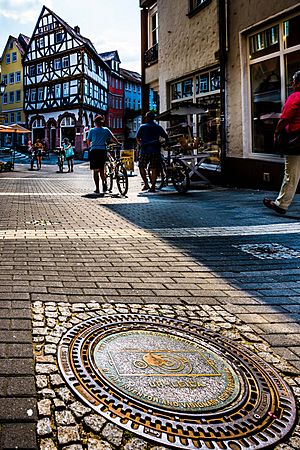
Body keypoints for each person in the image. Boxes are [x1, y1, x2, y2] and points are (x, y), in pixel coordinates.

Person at [263, 70, 300, 214]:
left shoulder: (296, 96)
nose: (291, 84)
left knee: (291, 173)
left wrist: (277, 132)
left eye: (293, 81)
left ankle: (281, 204)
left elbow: (285, 119)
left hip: (296, 141)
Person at [86, 115, 121, 194]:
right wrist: (118, 143)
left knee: (95, 171)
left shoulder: (92, 130)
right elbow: (113, 138)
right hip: (102, 150)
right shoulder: (106, 130)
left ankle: (97, 189)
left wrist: (90, 147)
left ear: (95, 122)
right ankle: (104, 184)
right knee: (102, 169)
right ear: (102, 122)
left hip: (94, 151)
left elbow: (88, 141)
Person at [136, 111, 168, 193]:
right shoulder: (158, 127)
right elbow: (165, 136)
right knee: (154, 168)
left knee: (141, 166)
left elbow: (137, 138)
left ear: (146, 118)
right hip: (155, 150)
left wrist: (141, 144)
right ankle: (153, 186)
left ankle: (146, 183)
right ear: (153, 118)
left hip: (145, 150)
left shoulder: (142, 127)